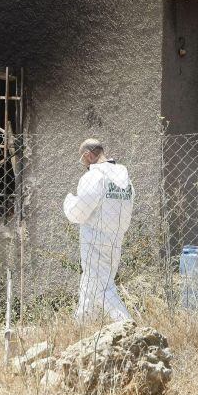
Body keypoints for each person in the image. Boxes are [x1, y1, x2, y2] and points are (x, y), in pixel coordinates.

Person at [63, 138, 134, 323]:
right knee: (90, 283)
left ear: (88, 155)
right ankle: (81, 326)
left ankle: (127, 325)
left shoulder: (94, 176)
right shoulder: (123, 178)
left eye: (82, 159)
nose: (83, 163)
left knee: (102, 287)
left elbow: (80, 210)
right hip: (115, 237)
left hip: (94, 237)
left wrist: (68, 202)